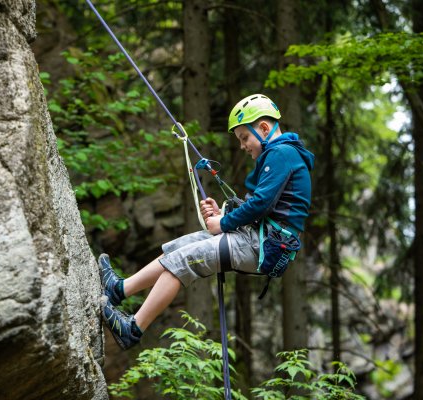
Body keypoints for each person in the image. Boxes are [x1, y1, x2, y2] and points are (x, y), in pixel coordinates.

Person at [99, 94, 315, 350]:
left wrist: (223, 224)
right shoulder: (282, 154)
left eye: (244, 138)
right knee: (180, 247)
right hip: (259, 240)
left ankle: (133, 329)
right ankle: (119, 289)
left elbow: (261, 204)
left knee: (182, 262)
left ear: (264, 128)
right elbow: (265, 207)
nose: (243, 146)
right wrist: (223, 216)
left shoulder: (282, 154)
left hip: (262, 245)